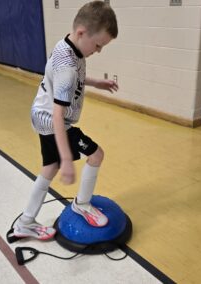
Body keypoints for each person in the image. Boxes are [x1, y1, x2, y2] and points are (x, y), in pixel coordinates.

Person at [13, 1, 119, 240]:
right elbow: (59, 116)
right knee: (96, 154)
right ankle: (82, 204)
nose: (99, 50)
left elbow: (70, 78)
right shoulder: (68, 66)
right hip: (52, 119)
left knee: (49, 168)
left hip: (41, 113)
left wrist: (96, 82)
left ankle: (25, 222)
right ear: (82, 32)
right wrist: (67, 160)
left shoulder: (69, 46)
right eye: (98, 45)